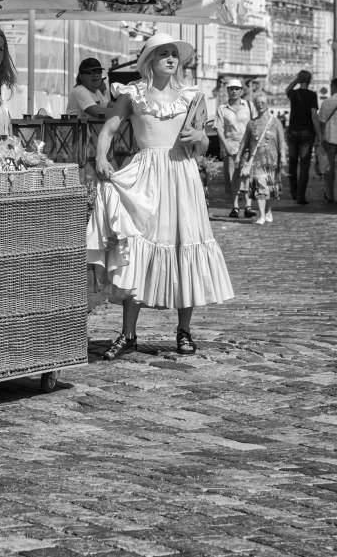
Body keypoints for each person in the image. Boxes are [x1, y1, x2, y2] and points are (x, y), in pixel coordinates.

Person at [87, 33, 234, 360]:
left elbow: (203, 144)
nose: (171, 59)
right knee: (137, 247)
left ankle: (184, 331)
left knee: (186, 243)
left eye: (174, 54)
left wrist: (199, 135)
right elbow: (108, 130)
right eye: (163, 54)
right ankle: (128, 334)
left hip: (182, 174)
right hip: (146, 176)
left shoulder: (192, 96)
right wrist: (100, 157)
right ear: (149, 59)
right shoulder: (133, 94)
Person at [236, 92, 287, 225]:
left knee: (270, 189)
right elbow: (244, 142)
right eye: (257, 103)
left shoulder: (276, 123)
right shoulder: (251, 124)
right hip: (257, 161)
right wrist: (238, 156)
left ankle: (268, 211)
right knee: (259, 188)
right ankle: (262, 215)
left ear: (268, 104)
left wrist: (283, 157)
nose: (260, 105)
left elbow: (282, 141)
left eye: (263, 102)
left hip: (272, 161)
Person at [213, 78, 257, 218]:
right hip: (230, 145)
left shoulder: (249, 106)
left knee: (247, 175)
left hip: (247, 146)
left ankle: (248, 206)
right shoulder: (222, 108)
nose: (234, 91)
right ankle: (235, 207)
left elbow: (255, 125)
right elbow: (219, 128)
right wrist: (226, 145)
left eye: (236, 88)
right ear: (227, 91)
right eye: (231, 88)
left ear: (241, 91)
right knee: (232, 177)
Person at [285, 70, 321, 205]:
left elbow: (287, 89)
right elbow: (314, 115)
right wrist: (319, 134)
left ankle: (293, 193)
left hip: (293, 132)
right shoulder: (312, 95)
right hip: (307, 132)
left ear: (300, 80)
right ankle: (300, 196)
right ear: (310, 80)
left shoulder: (293, 94)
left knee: (292, 164)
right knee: (304, 165)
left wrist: (296, 80)